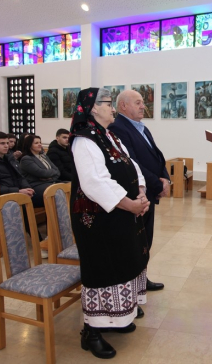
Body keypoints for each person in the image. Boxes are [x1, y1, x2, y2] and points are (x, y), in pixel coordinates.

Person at [70, 88, 150, 359]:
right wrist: (130, 205)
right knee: (102, 269)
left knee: (123, 262)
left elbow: (132, 165)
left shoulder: (110, 135)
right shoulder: (84, 140)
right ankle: (91, 332)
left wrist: (140, 191)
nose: (112, 108)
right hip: (98, 220)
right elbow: (95, 182)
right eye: (107, 103)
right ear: (92, 108)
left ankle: (115, 319)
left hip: (120, 214)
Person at [109, 89, 170, 292]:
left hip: (148, 192)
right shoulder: (118, 128)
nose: (143, 105)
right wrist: (157, 183)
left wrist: (165, 178)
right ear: (123, 106)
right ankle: (132, 286)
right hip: (136, 194)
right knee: (135, 243)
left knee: (146, 239)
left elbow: (155, 155)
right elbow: (133, 163)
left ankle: (141, 279)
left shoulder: (140, 127)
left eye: (142, 102)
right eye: (138, 102)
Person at [19, 135, 60, 208]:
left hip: (49, 182)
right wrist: (50, 175)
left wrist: (50, 178)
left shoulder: (43, 156)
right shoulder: (26, 159)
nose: (40, 144)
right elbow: (41, 173)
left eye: (40, 142)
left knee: (69, 185)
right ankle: (53, 217)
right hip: (36, 185)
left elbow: (57, 171)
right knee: (57, 191)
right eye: (36, 143)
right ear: (29, 145)